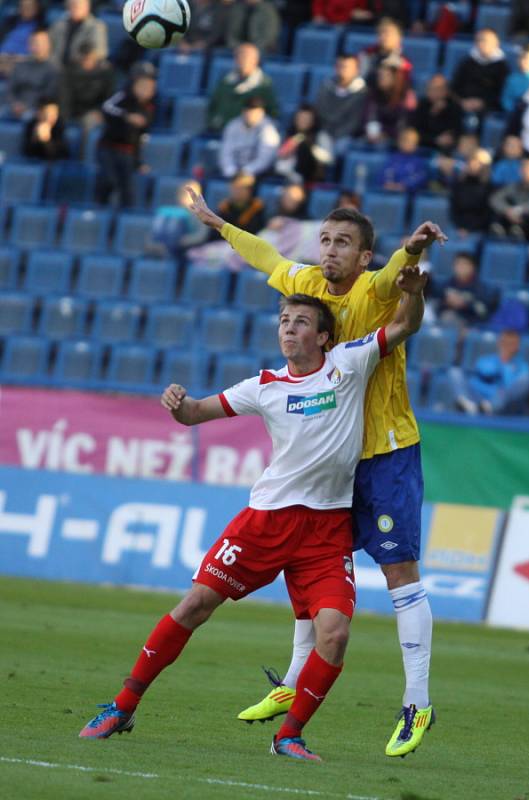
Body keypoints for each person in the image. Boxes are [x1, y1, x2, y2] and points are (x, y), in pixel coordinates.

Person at [79, 274, 428, 761]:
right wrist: (178, 406)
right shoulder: (263, 387)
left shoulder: (350, 363)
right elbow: (198, 412)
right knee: (194, 605)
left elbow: (406, 323)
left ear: (325, 337)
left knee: (335, 632)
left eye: (301, 322)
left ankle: (288, 736)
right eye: (284, 321)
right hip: (265, 521)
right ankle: (122, 705)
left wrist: (413, 286)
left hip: (326, 531)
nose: (288, 329)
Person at [186, 187, 448, 758]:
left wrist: (411, 254)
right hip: (339, 459)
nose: (330, 251)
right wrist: (216, 222)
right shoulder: (305, 284)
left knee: (400, 570)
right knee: (320, 572)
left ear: (364, 256)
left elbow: (404, 300)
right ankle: (292, 681)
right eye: (326, 240)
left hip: (386, 450)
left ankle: (417, 701)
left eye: (344, 244)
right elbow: (266, 258)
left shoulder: (377, 287)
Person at [96, 63, 156, 208]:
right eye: (142, 85)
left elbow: (142, 136)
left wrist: (139, 161)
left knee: (128, 191)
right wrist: (126, 116)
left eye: (150, 87)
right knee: (109, 181)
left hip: (128, 152)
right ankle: (100, 210)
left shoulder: (149, 108)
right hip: (108, 148)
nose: (146, 89)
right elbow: (106, 108)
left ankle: (124, 219)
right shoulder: (123, 96)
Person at [448, 329, 529, 415]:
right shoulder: (487, 360)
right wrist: (501, 362)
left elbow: (512, 388)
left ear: (517, 347)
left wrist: (505, 366)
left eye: (511, 344)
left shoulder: (521, 366)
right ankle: (468, 405)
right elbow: (483, 374)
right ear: (499, 343)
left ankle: (488, 408)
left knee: (523, 382)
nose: (507, 346)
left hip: (499, 400)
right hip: (476, 395)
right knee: (454, 372)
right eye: (504, 342)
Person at [207, 42, 278, 134]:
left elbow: (272, 112)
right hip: (221, 131)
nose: (241, 61)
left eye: (246, 57)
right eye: (238, 56)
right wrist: (214, 122)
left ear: (256, 60)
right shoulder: (225, 81)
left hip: (251, 135)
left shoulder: (264, 85)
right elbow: (213, 106)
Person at [451, 28, 509, 126]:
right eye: (479, 40)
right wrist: (462, 101)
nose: (481, 43)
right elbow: (455, 86)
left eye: (485, 40)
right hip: (463, 105)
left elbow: (502, 92)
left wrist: (483, 102)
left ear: (496, 43)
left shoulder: (502, 67)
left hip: (488, 109)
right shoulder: (466, 62)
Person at [489, 157, 529, 241]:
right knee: (497, 212)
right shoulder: (514, 185)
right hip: (511, 217)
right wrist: (507, 210)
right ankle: (497, 232)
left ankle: (518, 233)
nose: (527, 170)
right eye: (525, 167)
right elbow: (495, 198)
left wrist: (518, 210)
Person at [314, 54, 367, 157]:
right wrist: (329, 132)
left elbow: (354, 121)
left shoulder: (362, 92)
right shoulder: (326, 86)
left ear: (356, 70)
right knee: (321, 142)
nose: (343, 69)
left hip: (347, 135)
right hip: (326, 131)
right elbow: (320, 110)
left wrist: (337, 135)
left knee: (341, 148)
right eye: (340, 66)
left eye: (346, 66)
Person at [218, 95, 280, 180]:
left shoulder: (269, 129)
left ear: (262, 112)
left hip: (258, 174)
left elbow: (264, 160)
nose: (250, 114)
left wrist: (245, 171)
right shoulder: (233, 125)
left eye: (255, 111)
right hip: (234, 172)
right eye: (248, 111)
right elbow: (226, 153)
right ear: (243, 111)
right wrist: (231, 170)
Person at [59, 42, 115, 134]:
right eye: (84, 59)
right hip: (75, 112)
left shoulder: (105, 74)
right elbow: (64, 99)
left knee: (89, 123)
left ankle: (84, 149)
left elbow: (109, 97)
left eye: (90, 58)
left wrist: (100, 112)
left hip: (95, 112)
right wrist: (65, 119)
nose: (87, 62)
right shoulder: (69, 74)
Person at [432, 251, 498, 329]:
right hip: (446, 323)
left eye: (464, 264)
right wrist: (447, 303)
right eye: (458, 264)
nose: (461, 267)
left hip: (472, 325)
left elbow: (484, 312)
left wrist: (465, 304)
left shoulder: (481, 288)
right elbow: (435, 307)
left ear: (473, 267)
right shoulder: (446, 285)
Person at [275, 104, 334, 185]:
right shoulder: (288, 134)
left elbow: (329, 160)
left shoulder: (321, 136)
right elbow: (279, 156)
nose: (302, 121)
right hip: (286, 177)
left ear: (313, 121)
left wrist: (310, 147)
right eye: (300, 118)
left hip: (310, 179)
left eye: (306, 119)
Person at [7, 29, 58, 120]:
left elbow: (49, 94)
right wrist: (14, 104)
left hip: (37, 109)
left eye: (42, 42)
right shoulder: (20, 66)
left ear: (49, 45)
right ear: (29, 46)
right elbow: (10, 89)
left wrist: (27, 106)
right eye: (34, 42)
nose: (38, 46)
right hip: (14, 107)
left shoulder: (54, 68)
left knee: (29, 117)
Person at [411, 73, 462, 155]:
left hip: (446, 151)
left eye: (438, 89)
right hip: (422, 147)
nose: (434, 92)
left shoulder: (454, 106)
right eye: (431, 89)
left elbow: (457, 132)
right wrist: (433, 114)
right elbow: (416, 131)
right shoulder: (422, 105)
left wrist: (449, 138)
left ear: (446, 91)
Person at [49, 0, 107, 67]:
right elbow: (48, 46)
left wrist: (88, 58)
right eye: (72, 5)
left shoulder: (96, 27)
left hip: (80, 69)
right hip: (56, 67)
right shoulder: (59, 25)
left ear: (87, 7)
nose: (75, 7)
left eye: (79, 5)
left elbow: (100, 52)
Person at [450, 147, 493, 235]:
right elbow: (453, 209)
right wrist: (460, 227)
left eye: (478, 163)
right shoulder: (459, 184)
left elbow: (486, 214)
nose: (474, 164)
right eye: (472, 161)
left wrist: (469, 229)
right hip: (457, 227)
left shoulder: (489, 187)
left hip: (478, 229)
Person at [378, 127, 429, 195]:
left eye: (414, 142)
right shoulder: (392, 159)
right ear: (400, 142)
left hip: (411, 197)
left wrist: (404, 185)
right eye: (408, 141)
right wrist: (389, 184)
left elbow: (421, 177)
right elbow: (384, 173)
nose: (411, 144)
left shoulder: (418, 161)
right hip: (391, 195)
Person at [0, 0, 45, 76]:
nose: (25, 8)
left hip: (22, 66)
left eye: (29, 6)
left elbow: (40, 54)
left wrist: (18, 61)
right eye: (23, 6)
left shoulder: (40, 28)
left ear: (36, 8)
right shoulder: (9, 22)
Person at [500, 44, 529, 114]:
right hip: (515, 115)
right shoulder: (512, 78)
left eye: (528, 58)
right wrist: (514, 110)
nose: (524, 61)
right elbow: (505, 99)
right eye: (521, 57)